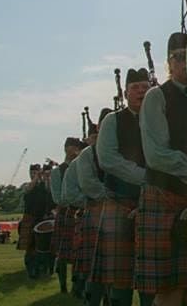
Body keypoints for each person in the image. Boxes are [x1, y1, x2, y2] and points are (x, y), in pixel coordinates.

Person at [136, 32, 187, 306]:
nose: (185, 62)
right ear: (169, 62)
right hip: (165, 197)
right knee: (170, 289)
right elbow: (156, 155)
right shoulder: (156, 97)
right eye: (179, 57)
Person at [95, 69, 153, 306]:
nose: (141, 90)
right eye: (135, 87)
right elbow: (108, 159)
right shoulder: (112, 120)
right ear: (126, 93)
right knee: (120, 276)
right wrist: (147, 178)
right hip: (120, 202)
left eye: (144, 86)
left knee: (153, 274)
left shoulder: (160, 117)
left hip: (154, 202)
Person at [77, 109, 112, 306]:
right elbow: (89, 185)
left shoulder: (119, 148)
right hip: (98, 213)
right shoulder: (87, 155)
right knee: (96, 267)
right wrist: (113, 196)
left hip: (118, 211)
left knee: (116, 269)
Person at [51, 137, 83, 293]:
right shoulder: (58, 171)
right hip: (66, 212)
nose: (76, 150)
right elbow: (57, 197)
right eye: (73, 147)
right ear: (66, 148)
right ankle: (63, 286)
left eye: (77, 147)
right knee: (63, 254)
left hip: (81, 211)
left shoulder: (83, 167)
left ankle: (77, 285)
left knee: (79, 252)